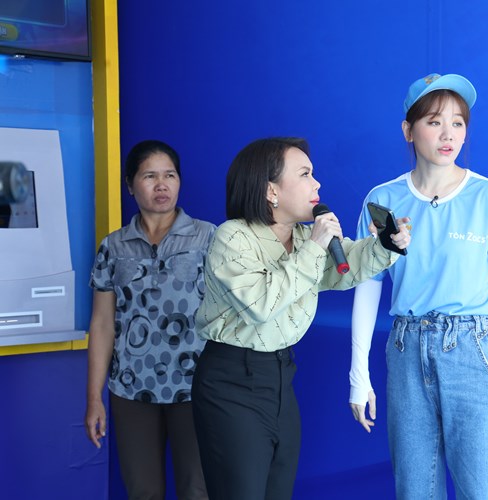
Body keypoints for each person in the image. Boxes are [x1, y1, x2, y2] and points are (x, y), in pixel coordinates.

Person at [190, 137, 411, 500]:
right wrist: (314, 247)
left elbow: (345, 267)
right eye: (305, 174)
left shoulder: (305, 236)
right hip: (231, 382)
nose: (317, 184)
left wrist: (386, 244)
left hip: (280, 376)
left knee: (278, 491)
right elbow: (261, 304)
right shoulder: (233, 237)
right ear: (271, 191)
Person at [348, 73, 488, 500]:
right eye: (434, 122)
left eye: (458, 123)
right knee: (415, 490)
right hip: (407, 350)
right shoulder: (382, 201)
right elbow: (366, 287)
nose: (448, 134)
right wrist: (359, 374)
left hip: (476, 348)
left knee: (484, 490)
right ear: (408, 130)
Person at [85, 140, 214, 500]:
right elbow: (102, 325)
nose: (161, 185)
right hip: (131, 388)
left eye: (169, 175)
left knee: (198, 490)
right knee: (142, 491)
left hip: (195, 386)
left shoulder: (209, 237)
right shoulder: (113, 246)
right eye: (150, 176)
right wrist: (94, 398)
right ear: (130, 185)